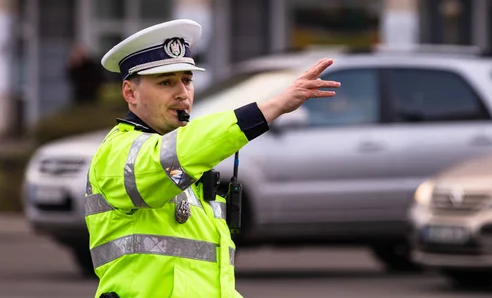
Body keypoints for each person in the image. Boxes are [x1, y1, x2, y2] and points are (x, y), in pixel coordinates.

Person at [84, 19, 340, 298]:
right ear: (130, 93)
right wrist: (271, 107)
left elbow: (213, 280)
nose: (182, 93)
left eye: (187, 80)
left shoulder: (188, 158)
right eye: (166, 82)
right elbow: (176, 153)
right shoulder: (118, 151)